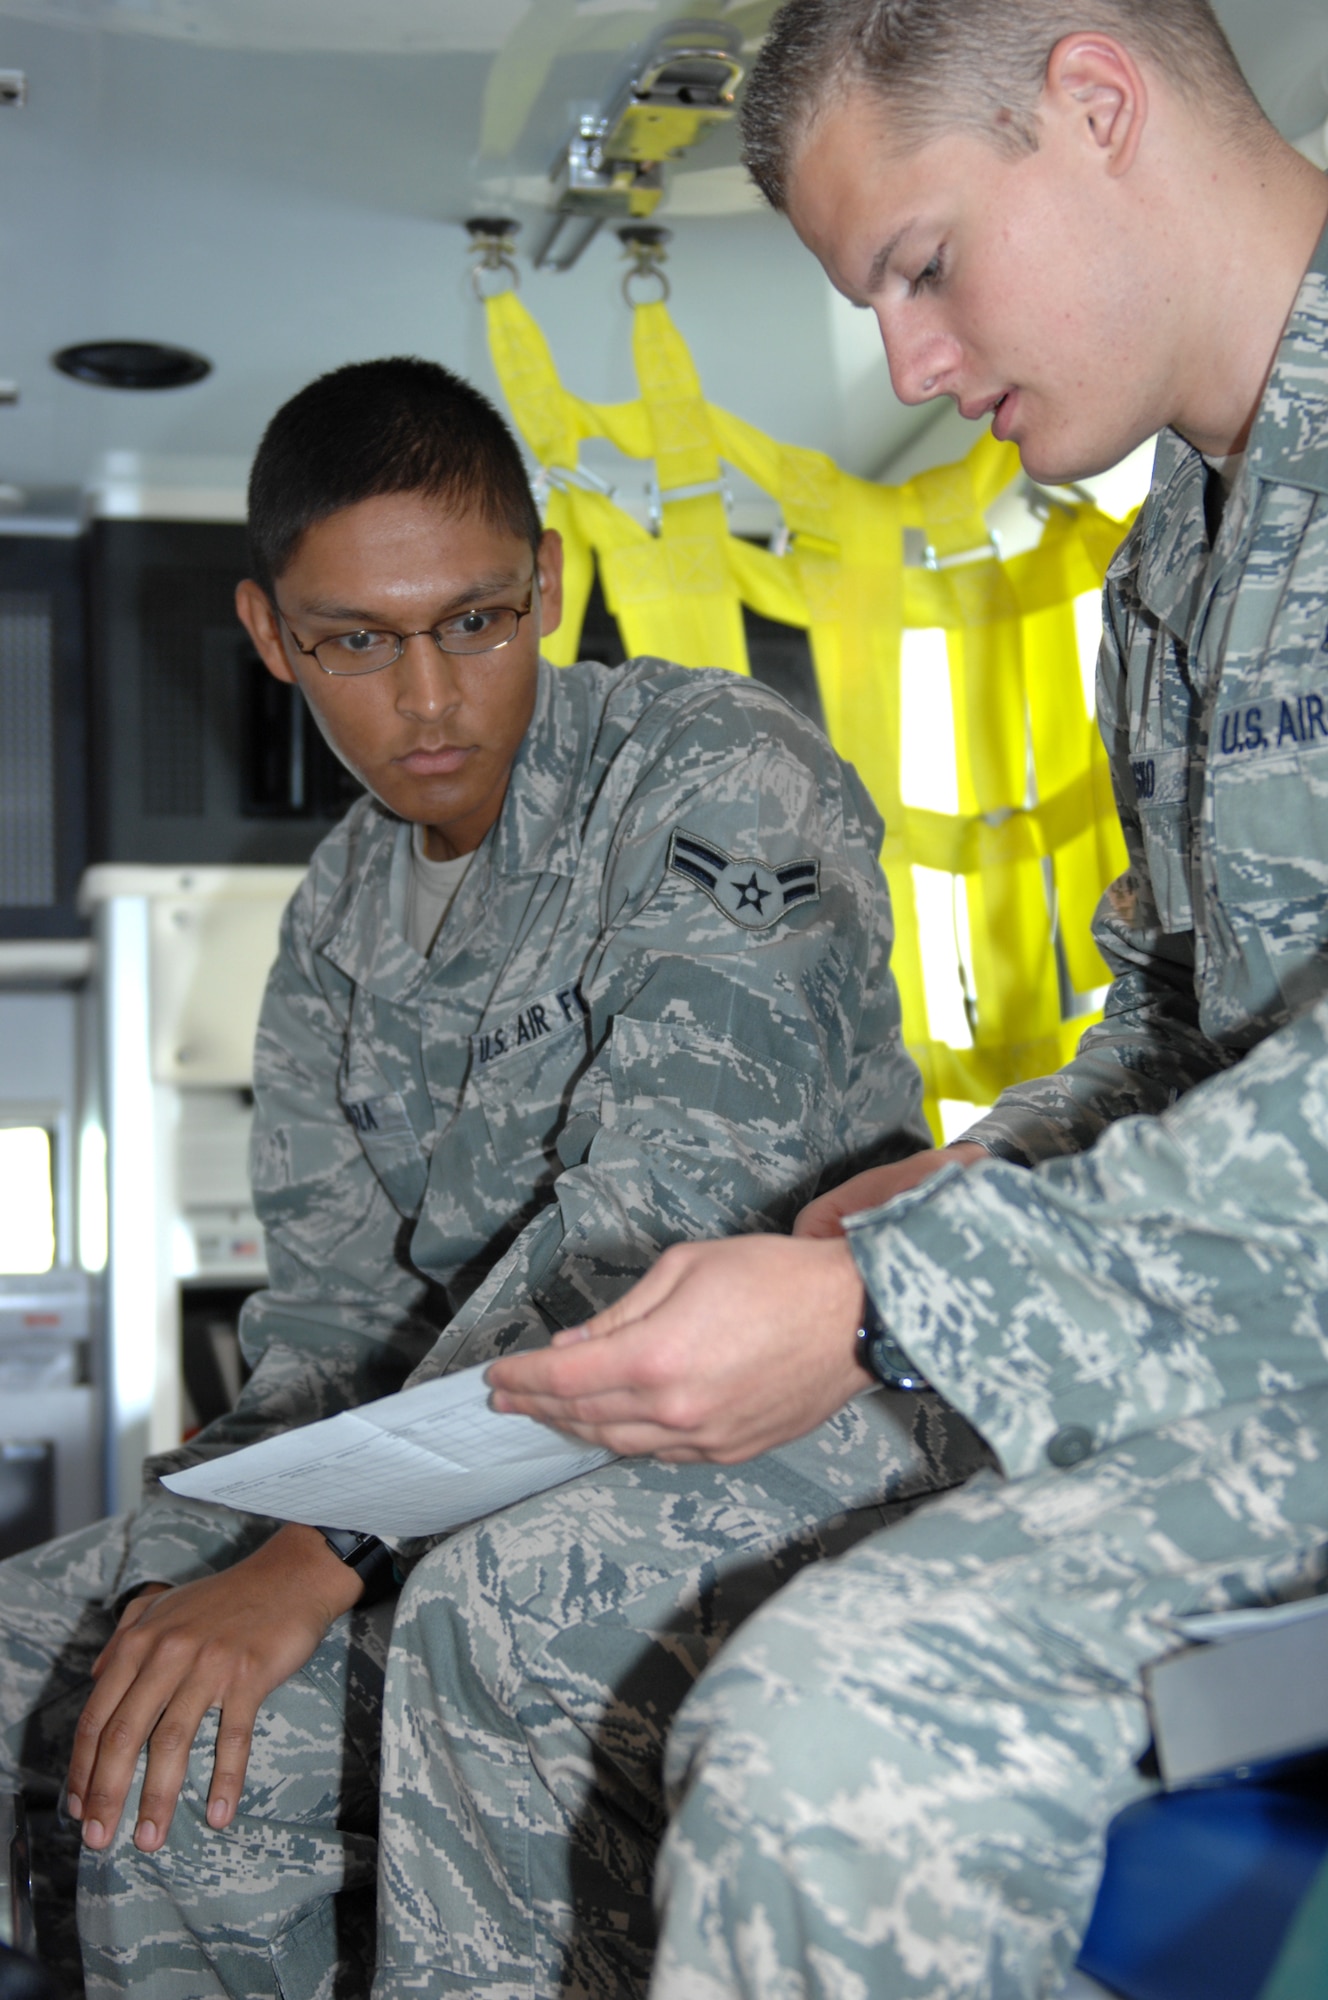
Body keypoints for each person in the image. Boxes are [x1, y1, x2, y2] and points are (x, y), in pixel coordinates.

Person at [487, 0, 1328, 1992]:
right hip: (1230, 1327)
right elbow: (1183, 1027)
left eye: (922, 267)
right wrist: (957, 1184)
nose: (918, 365)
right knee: (519, 1604)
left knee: (830, 1748)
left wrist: (904, 1299)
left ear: (1096, 102)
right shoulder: (1168, 570)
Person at [0, 354, 980, 2000]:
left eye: (473, 621)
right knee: (57, 1644)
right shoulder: (335, 920)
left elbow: (653, 1231)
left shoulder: (709, 776)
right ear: (271, 637)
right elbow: (325, 1339)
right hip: (443, 1458)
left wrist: (320, 1561)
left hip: (786, 1413)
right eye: (357, 645)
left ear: (543, 585)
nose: (430, 700)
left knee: (361, 1659)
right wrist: (220, 1544)